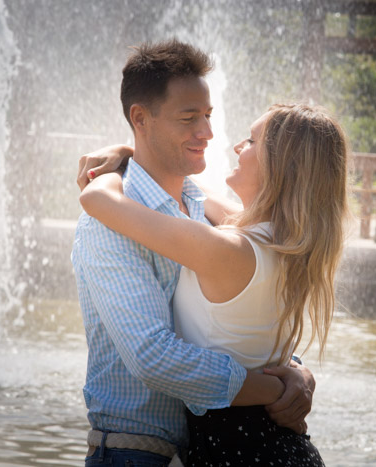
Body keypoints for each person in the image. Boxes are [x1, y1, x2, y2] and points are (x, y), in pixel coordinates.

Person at [72, 39, 316, 467]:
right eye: (189, 118)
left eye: (208, 115)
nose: (207, 132)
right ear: (140, 118)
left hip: (209, 452)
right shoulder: (109, 222)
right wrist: (273, 388)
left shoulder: (207, 211)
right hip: (137, 453)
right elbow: (153, 357)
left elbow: (235, 324)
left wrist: (294, 369)